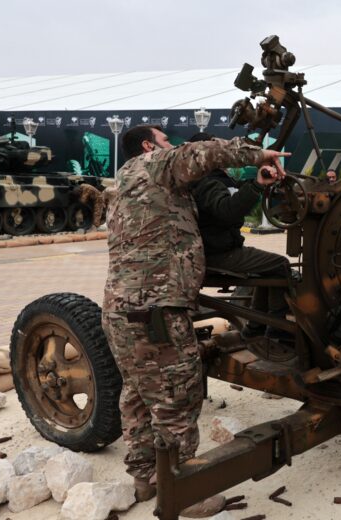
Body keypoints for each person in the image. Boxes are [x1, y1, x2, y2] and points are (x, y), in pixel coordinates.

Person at [101, 124, 289, 511]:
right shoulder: (155, 165)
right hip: (156, 310)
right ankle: (185, 493)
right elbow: (201, 153)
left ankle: (144, 480)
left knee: (138, 394)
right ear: (149, 146)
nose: (173, 146)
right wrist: (258, 154)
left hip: (121, 308)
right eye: (165, 141)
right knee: (178, 397)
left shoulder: (126, 180)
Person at [187, 132, 292, 339]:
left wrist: (258, 184)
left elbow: (233, 196)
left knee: (267, 271)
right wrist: (257, 185)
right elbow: (228, 211)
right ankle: (278, 330)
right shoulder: (208, 182)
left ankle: (256, 328)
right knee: (281, 265)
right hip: (218, 252)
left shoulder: (206, 179)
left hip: (215, 248)